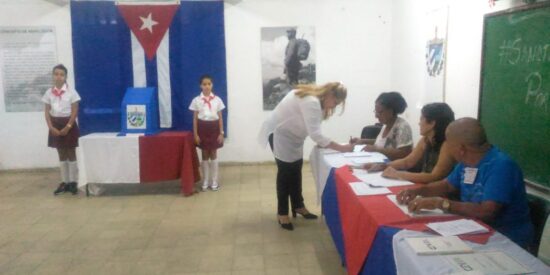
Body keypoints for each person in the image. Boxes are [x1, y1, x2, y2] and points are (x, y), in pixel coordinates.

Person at [396, 118, 534, 247]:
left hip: (505, 238)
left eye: (448, 144)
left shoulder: (501, 166)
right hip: (473, 228)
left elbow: (487, 211)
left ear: (461, 149)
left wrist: (440, 203)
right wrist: (417, 191)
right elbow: (447, 185)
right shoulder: (467, 161)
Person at [259, 82, 353, 230]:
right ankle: (282, 213)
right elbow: (315, 134)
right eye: (335, 103)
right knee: (285, 174)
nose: (333, 107)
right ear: (329, 94)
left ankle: (298, 206)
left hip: (294, 137)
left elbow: (314, 129)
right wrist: (341, 148)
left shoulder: (318, 101)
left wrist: (325, 143)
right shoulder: (311, 101)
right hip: (280, 134)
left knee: (296, 170)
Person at [366, 103, 456, 183]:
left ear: (432, 123)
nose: (419, 123)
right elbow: (407, 162)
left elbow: (434, 177)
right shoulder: (425, 140)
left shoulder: (447, 145)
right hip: (426, 186)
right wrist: (382, 166)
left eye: (421, 119)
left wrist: (397, 174)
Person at [42, 64, 81, 195]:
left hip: (68, 123)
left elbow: (75, 110)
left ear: (65, 77)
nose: (58, 77)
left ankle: (73, 182)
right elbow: (47, 111)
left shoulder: (71, 92)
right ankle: (64, 182)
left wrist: (68, 126)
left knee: (71, 152)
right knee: (61, 153)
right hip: (55, 124)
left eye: (61, 74)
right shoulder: (48, 92)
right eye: (56, 74)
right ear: (53, 76)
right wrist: (50, 127)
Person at [351, 91, 413, 160]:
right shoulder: (386, 125)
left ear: (391, 111)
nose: (376, 116)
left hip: (394, 167)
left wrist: (377, 150)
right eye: (375, 111)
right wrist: (362, 141)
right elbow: (381, 142)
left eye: (380, 112)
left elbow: (404, 153)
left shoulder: (402, 127)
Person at [189, 75, 226, 191]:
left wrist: (221, 132)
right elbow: (195, 119)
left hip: (214, 128)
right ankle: (205, 180)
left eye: (209, 84)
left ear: (212, 85)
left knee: (213, 153)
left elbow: (220, 117)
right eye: (204, 84)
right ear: (200, 86)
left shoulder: (217, 100)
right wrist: (195, 134)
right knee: (204, 154)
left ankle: (214, 181)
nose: (206, 86)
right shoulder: (196, 100)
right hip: (202, 128)